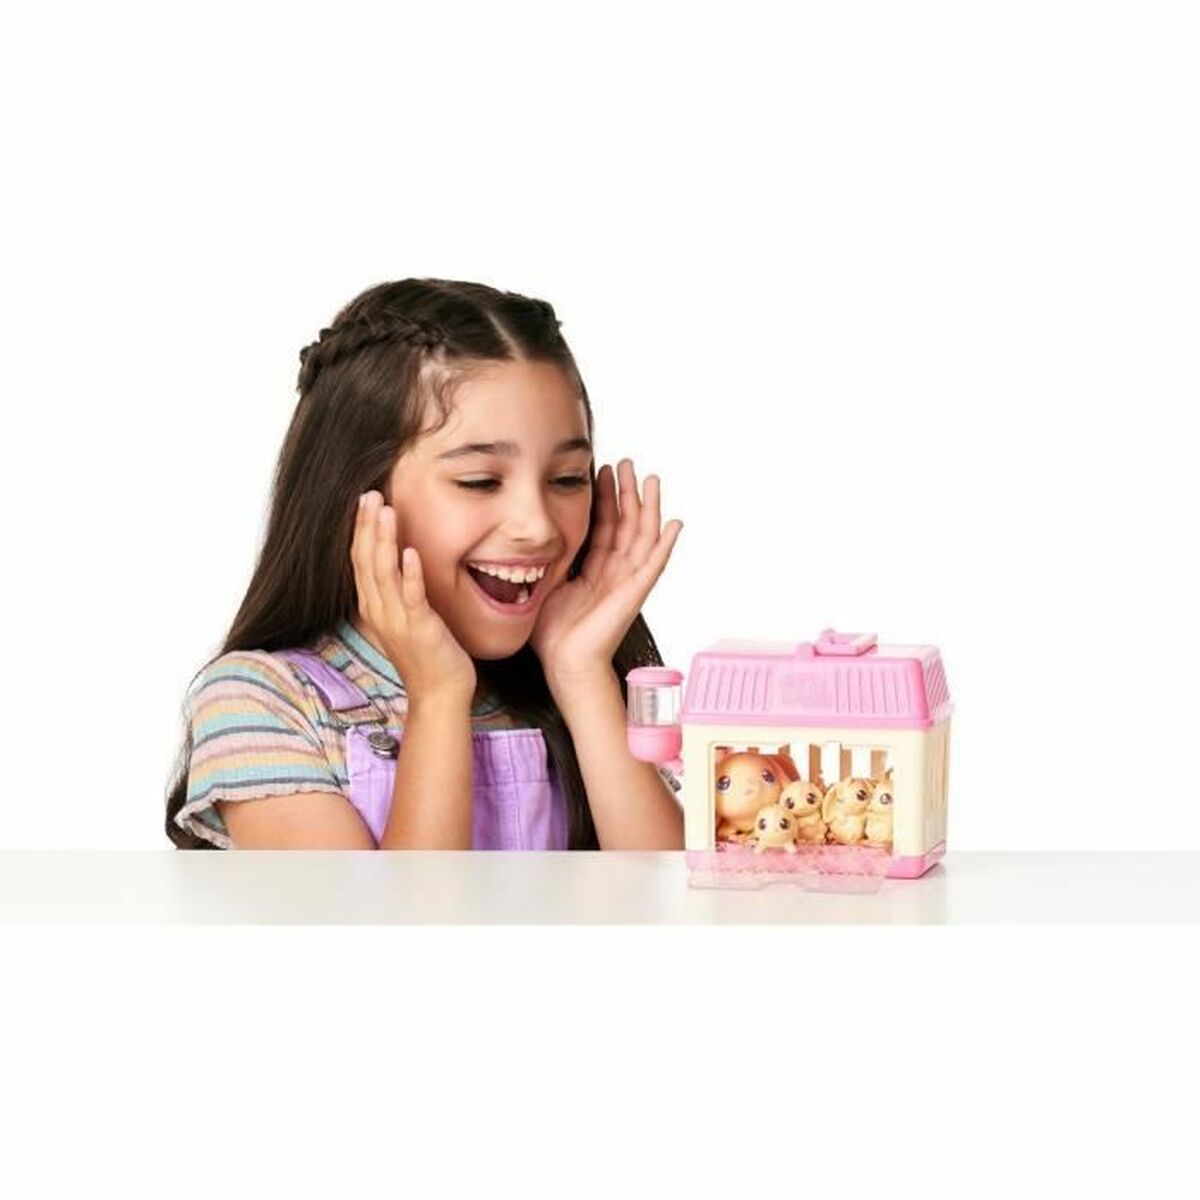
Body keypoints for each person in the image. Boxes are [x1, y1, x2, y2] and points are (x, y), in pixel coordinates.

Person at [164, 278, 685, 850]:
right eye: (479, 481)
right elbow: (409, 910)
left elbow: (671, 898)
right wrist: (437, 695)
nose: (538, 526)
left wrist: (581, 673)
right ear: (359, 494)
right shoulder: (264, 702)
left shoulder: (576, 688)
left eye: (566, 479)